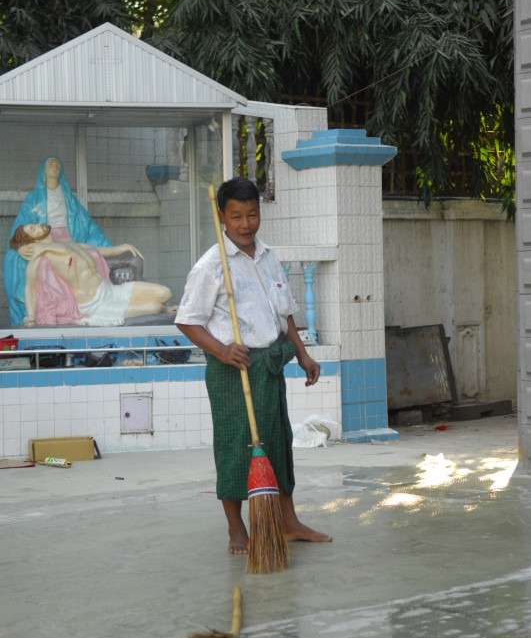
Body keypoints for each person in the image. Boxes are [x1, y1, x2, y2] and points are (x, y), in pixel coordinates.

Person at [176, 176, 332, 554]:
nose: (246, 224)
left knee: (277, 443)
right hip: (234, 370)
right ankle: (236, 528)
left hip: (269, 367)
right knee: (236, 447)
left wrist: (303, 354)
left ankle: (289, 523)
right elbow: (187, 321)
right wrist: (221, 350)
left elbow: (285, 312)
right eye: (236, 216)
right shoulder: (210, 267)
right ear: (222, 217)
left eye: (252, 214)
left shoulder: (268, 256)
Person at [3, 156, 113, 325]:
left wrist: (110, 247)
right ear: (43, 171)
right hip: (45, 239)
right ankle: (56, 309)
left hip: (68, 238)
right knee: (45, 263)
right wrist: (20, 247)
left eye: (57, 165)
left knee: (93, 254)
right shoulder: (33, 199)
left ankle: (99, 301)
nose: (54, 167)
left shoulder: (69, 199)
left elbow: (88, 224)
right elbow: (20, 228)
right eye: (50, 164)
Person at [10, 224, 172, 327]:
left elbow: (95, 251)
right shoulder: (41, 258)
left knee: (166, 293)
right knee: (156, 307)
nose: (39, 226)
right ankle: (166, 309)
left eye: (34, 225)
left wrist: (122, 247)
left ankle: (166, 308)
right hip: (95, 304)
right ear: (34, 241)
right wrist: (31, 315)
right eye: (33, 230)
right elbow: (30, 287)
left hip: (109, 290)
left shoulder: (66, 243)